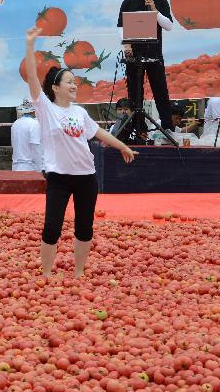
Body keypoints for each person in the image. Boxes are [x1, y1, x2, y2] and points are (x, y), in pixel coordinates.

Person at [25, 26, 137, 278]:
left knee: (84, 227)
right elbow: (33, 78)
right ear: (55, 87)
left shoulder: (80, 112)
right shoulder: (46, 108)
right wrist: (30, 45)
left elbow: (99, 133)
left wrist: (122, 146)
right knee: (52, 227)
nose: (74, 86)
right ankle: (46, 274)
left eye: (75, 82)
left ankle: (78, 272)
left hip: (86, 177)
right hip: (59, 177)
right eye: (69, 82)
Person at [117, 0, 174, 134]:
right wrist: (126, 46)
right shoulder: (128, 3)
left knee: (161, 92)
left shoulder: (161, 2)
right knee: (135, 95)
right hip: (134, 56)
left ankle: (167, 129)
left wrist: (154, 10)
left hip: (154, 54)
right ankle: (138, 129)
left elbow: (168, 26)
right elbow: (121, 27)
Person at [11, 98, 43, 172]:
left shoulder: (15, 124)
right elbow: (35, 148)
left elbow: (13, 144)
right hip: (30, 167)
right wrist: (40, 168)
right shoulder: (35, 124)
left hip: (15, 166)